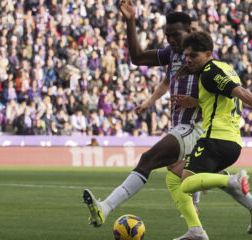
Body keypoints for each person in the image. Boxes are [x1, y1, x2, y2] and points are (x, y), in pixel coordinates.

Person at [83, 2, 216, 239]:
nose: (171, 40)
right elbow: (137, 58)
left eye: (176, 35)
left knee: (148, 159)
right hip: (181, 127)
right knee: (176, 171)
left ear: (191, 30)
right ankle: (199, 226)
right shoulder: (173, 54)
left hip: (195, 127)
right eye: (168, 36)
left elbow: (221, 91)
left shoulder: (202, 58)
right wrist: (130, 20)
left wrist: (196, 102)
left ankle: (105, 208)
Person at [171, 31, 252, 236]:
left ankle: (231, 182)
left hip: (215, 140)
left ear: (208, 54)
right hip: (232, 144)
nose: (188, 59)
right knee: (182, 173)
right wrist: (195, 102)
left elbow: (239, 92)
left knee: (186, 181)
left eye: (193, 55)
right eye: (186, 55)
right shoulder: (226, 68)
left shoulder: (209, 72)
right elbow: (224, 98)